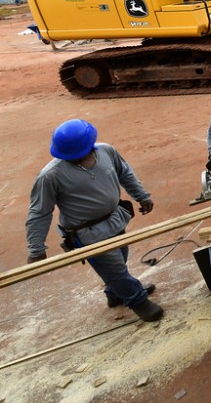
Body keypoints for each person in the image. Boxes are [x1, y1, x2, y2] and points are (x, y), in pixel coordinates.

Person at [26, 119, 164, 322]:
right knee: (115, 269)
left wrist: (141, 195)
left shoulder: (106, 151)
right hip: (87, 233)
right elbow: (39, 212)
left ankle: (115, 293)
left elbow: (125, 173)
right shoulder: (50, 176)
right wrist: (36, 249)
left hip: (115, 220)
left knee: (120, 258)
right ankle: (138, 300)